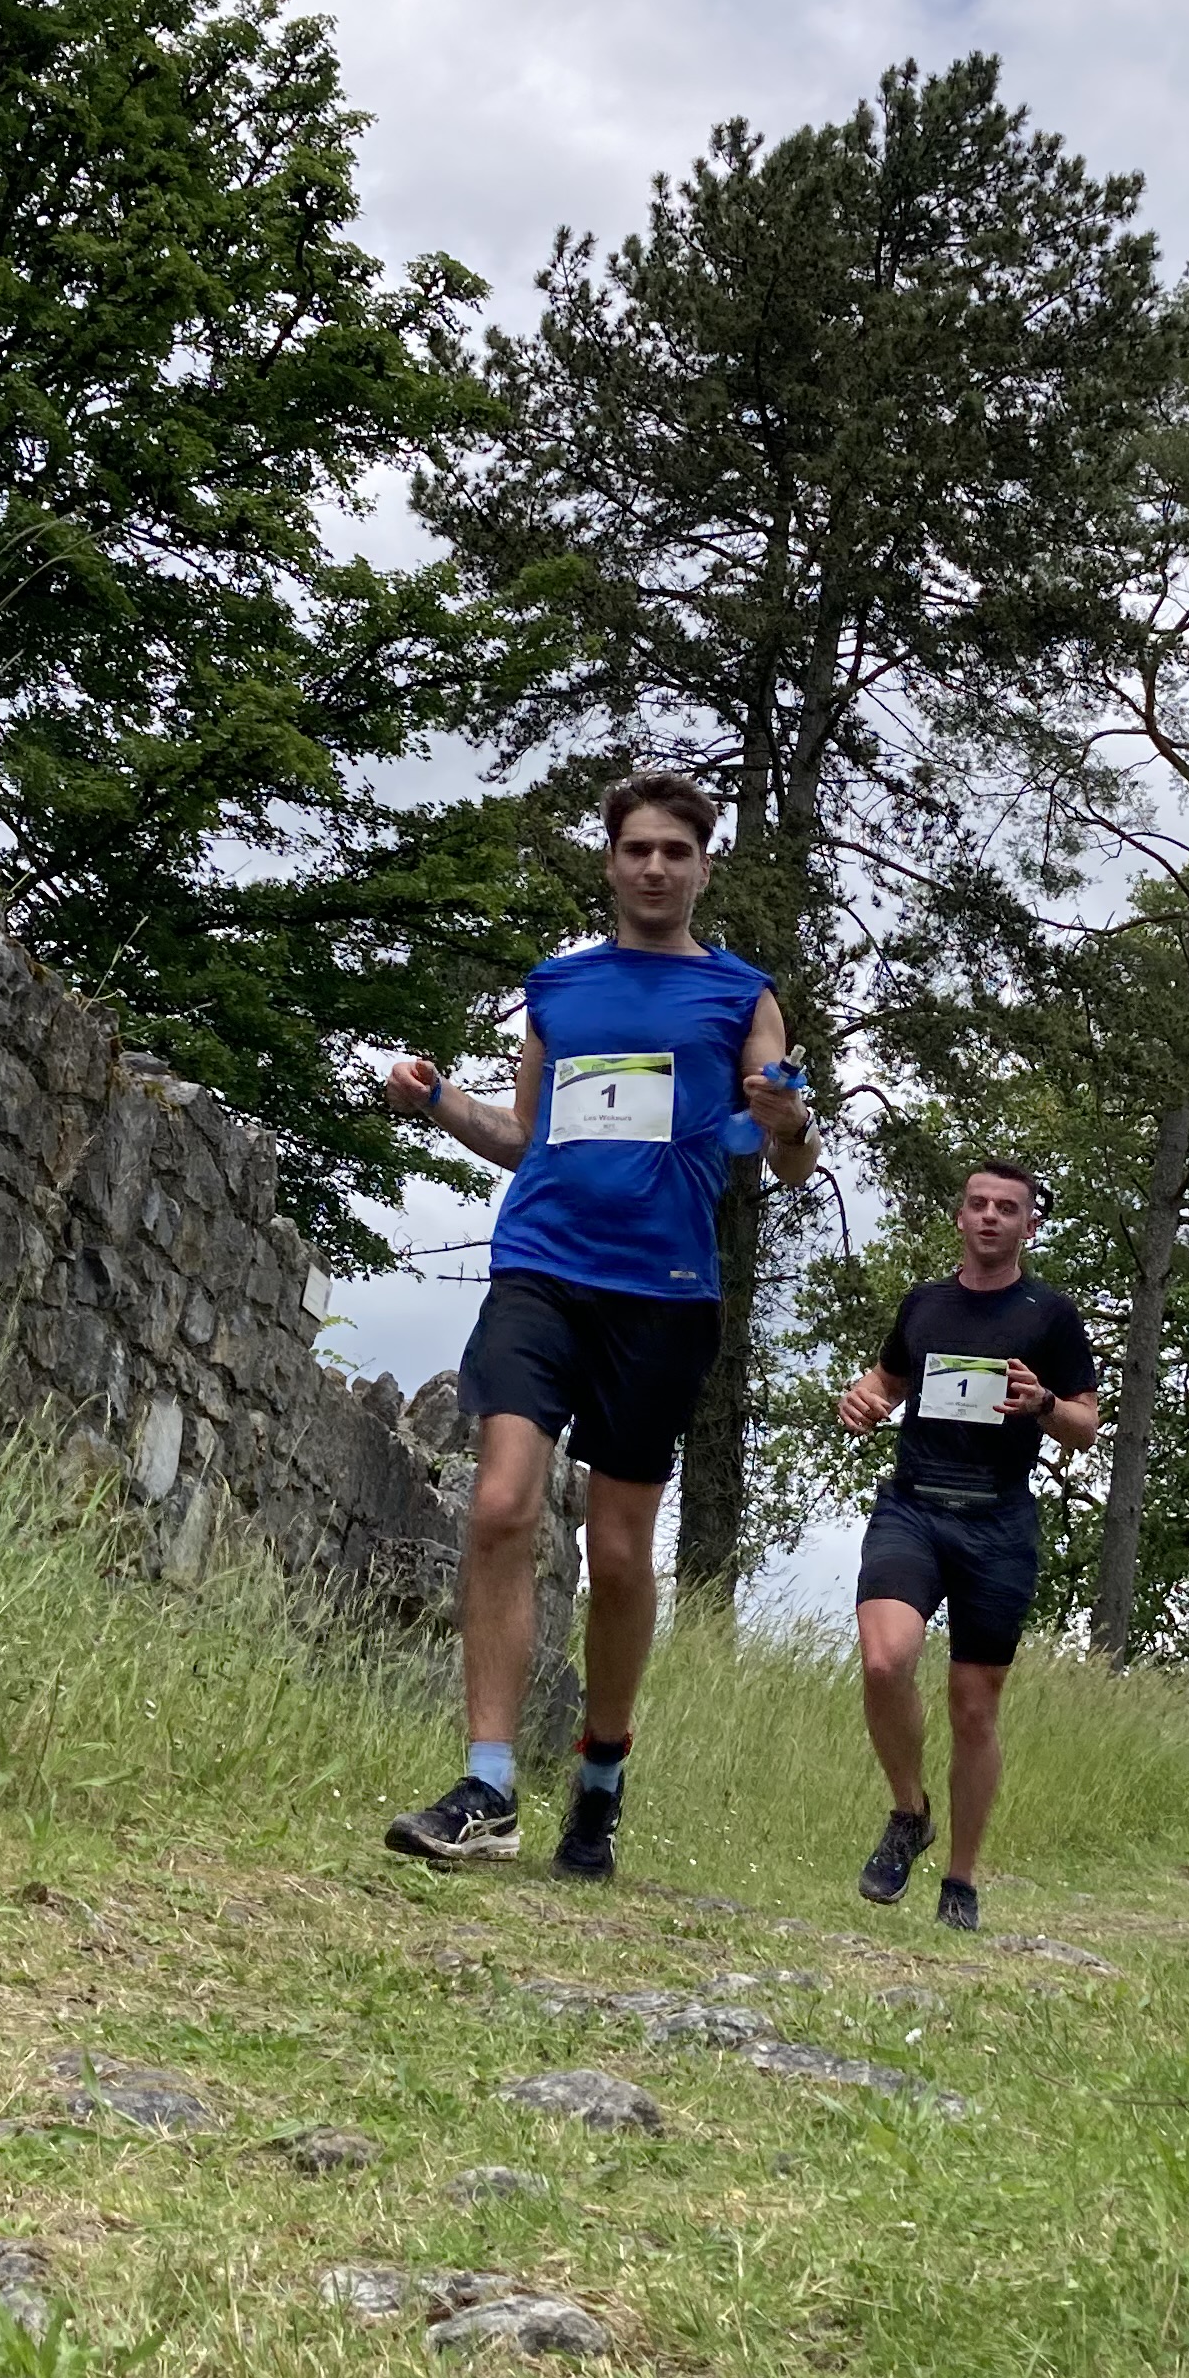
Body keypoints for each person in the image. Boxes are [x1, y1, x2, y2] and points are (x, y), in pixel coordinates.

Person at [378, 772, 817, 1881]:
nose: (655, 867)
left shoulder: (741, 997)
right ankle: (487, 1786)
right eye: (637, 849)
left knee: (619, 1555)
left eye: (677, 851)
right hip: (542, 1269)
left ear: (704, 867)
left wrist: (787, 1121)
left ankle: (602, 1779)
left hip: (662, 1292)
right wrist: (433, 1100)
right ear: (611, 862)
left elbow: (788, 1156)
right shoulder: (558, 989)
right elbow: (524, 1135)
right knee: (500, 1504)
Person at [837, 1161, 1100, 1930]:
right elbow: (885, 1383)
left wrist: (1043, 1402)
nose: (990, 1216)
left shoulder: (1049, 1315)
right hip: (914, 1509)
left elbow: (1085, 1426)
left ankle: (961, 1881)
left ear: (1029, 1226)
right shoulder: (925, 1305)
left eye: (1006, 1208)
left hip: (997, 1524)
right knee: (884, 1660)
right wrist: (863, 1402)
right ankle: (908, 1813)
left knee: (974, 1709)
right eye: (978, 1204)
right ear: (960, 1217)